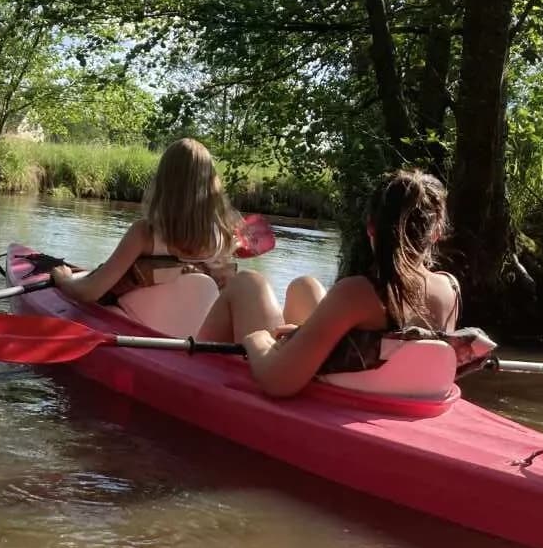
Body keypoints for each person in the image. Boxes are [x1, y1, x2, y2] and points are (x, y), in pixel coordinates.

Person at [197, 168, 461, 397]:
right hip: (395, 394)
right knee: (306, 286)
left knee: (247, 283)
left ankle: (188, 371)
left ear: (371, 228)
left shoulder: (358, 292)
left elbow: (278, 382)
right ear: (436, 234)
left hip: (338, 400)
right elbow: (382, 349)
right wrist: (303, 334)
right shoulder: (450, 290)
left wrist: (256, 339)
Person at [51, 138, 239, 305]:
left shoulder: (144, 234)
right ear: (211, 184)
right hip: (191, 328)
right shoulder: (223, 235)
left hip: (138, 320)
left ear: (164, 181)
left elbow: (90, 292)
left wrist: (64, 280)